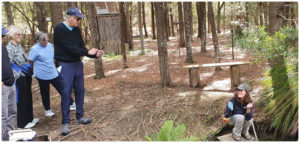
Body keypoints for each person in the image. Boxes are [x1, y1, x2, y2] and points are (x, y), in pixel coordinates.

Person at [54, 7, 104, 136]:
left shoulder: (76, 30)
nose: (79, 21)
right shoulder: (59, 29)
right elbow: (69, 48)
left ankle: (80, 117)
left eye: (80, 19)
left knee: (80, 90)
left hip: (77, 64)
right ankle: (65, 123)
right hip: (65, 65)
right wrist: (87, 52)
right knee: (66, 93)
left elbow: (81, 47)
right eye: (77, 19)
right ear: (69, 17)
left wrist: (94, 55)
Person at [6, 25, 39, 129]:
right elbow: (9, 64)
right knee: (21, 99)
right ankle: (22, 124)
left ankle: (30, 119)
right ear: (12, 36)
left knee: (28, 97)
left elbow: (24, 58)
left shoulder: (19, 46)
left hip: (26, 75)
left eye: (21, 34)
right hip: (19, 76)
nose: (21, 36)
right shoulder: (9, 48)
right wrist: (17, 74)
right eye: (18, 34)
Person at [28, 32, 66, 117]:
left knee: (62, 87)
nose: (45, 43)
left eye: (46, 40)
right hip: (42, 74)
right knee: (45, 92)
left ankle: (70, 103)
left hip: (52, 71)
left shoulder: (50, 45)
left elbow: (52, 56)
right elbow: (30, 61)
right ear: (38, 40)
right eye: (43, 41)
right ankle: (47, 110)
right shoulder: (34, 49)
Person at [2, 27, 17, 141]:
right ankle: (2, 136)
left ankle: (9, 133)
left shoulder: (3, 47)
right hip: (3, 86)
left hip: (11, 83)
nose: (4, 37)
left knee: (12, 111)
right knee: (3, 114)